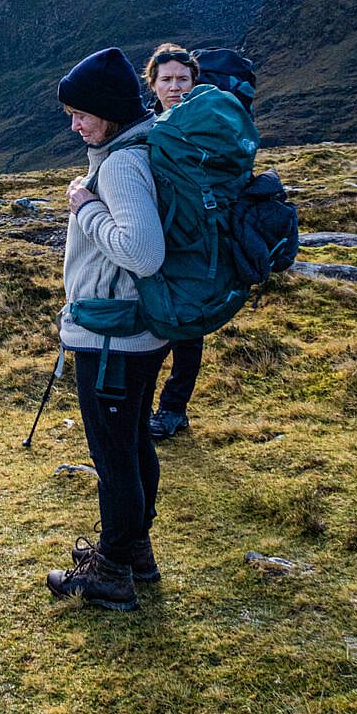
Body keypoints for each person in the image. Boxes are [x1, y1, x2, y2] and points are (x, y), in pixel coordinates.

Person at [46, 47, 168, 612]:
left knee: (114, 459)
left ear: (110, 112)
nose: (74, 126)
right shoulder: (134, 148)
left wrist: (85, 207)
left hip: (113, 337)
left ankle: (112, 572)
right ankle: (135, 552)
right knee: (133, 443)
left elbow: (141, 253)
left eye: (82, 115)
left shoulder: (120, 164)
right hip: (133, 332)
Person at [140, 44, 203, 440]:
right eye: (167, 79)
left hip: (194, 242)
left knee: (188, 331)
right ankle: (140, 406)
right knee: (149, 325)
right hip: (151, 237)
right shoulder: (145, 128)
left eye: (183, 79)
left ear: (195, 81)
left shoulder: (205, 126)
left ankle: (173, 409)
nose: (175, 86)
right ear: (153, 84)